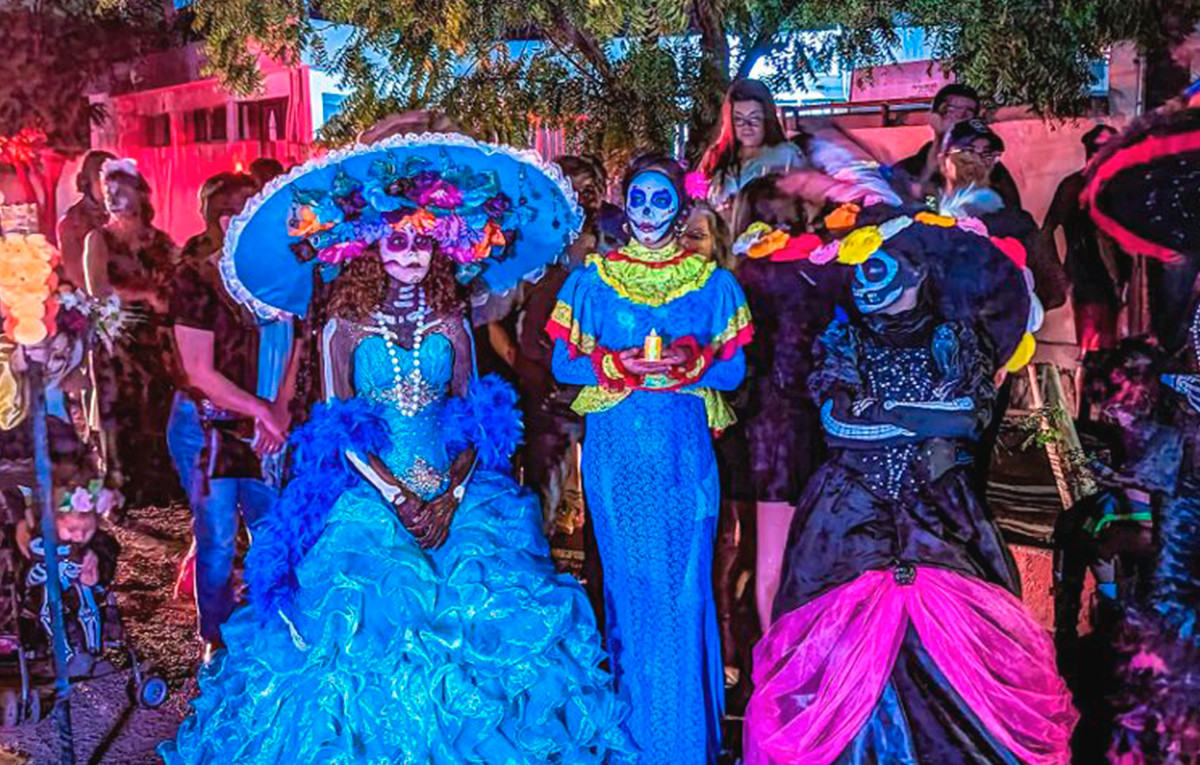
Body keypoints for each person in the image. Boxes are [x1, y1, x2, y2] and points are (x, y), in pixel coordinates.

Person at [161, 135, 634, 764]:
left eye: (421, 241)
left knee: (490, 637)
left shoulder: (452, 321)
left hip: (457, 500)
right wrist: (400, 498)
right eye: (397, 240)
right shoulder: (343, 327)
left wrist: (452, 493)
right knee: (360, 641)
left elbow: (477, 421)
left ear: (439, 246)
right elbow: (337, 429)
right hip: (371, 502)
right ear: (371, 248)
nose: (410, 253)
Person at [744, 207, 1077, 765]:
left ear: (919, 272)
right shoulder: (844, 338)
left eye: (881, 266)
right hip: (848, 521)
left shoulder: (952, 338)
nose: (866, 279)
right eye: (861, 268)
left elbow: (967, 417)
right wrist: (925, 418)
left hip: (941, 522)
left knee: (950, 656)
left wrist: (888, 411)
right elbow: (840, 425)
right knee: (844, 659)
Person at [548, 154, 752, 764]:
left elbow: (737, 367)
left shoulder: (712, 282)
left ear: (681, 207)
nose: (646, 212)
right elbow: (563, 364)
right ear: (624, 201)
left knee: (686, 589)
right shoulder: (592, 278)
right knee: (629, 589)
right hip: (616, 451)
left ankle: (686, 744)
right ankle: (632, 742)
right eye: (637, 198)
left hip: (682, 450)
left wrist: (693, 364)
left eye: (660, 200)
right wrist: (617, 364)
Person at [729, 175, 848, 636]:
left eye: (791, 215)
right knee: (774, 559)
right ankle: (778, 663)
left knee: (797, 554)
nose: (781, 226)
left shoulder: (818, 268)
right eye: (772, 217)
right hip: (777, 428)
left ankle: (795, 659)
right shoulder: (756, 275)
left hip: (809, 423)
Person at [165, 171, 263, 611]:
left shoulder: (269, 277)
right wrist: (266, 411)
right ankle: (216, 637)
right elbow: (199, 372)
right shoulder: (192, 279)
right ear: (230, 222)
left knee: (273, 526)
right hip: (205, 424)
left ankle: (271, 626)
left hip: (259, 423)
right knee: (219, 536)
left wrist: (275, 411)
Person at [82, 158, 178, 505]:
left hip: (155, 338)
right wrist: (145, 294)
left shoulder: (159, 241)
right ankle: (123, 486)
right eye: (108, 191)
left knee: (157, 407)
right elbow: (98, 288)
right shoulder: (99, 239)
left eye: (122, 190)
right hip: (116, 339)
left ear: (140, 195)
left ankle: (161, 483)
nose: (114, 197)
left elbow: (175, 279)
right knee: (119, 411)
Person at [1041, 125, 1127, 355]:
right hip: (1088, 277)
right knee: (1094, 350)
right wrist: (1056, 272)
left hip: (1116, 280)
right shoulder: (1075, 186)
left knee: (1112, 350)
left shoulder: (1117, 186)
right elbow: (1047, 230)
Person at [893, 83, 1022, 209]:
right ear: (933, 118)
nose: (960, 116)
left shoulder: (992, 170)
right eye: (950, 110)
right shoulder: (906, 169)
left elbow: (1013, 216)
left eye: (968, 112)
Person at [700, 79, 808, 217]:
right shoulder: (715, 155)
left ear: (767, 119)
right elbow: (695, 200)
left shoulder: (788, 155)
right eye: (738, 119)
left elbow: (806, 205)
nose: (747, 126)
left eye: (754, 119)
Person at [57, 150, 116, 290]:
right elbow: (78, 276)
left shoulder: (127, 214)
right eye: (104, 182)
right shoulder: (72, 224)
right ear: (88, 184)